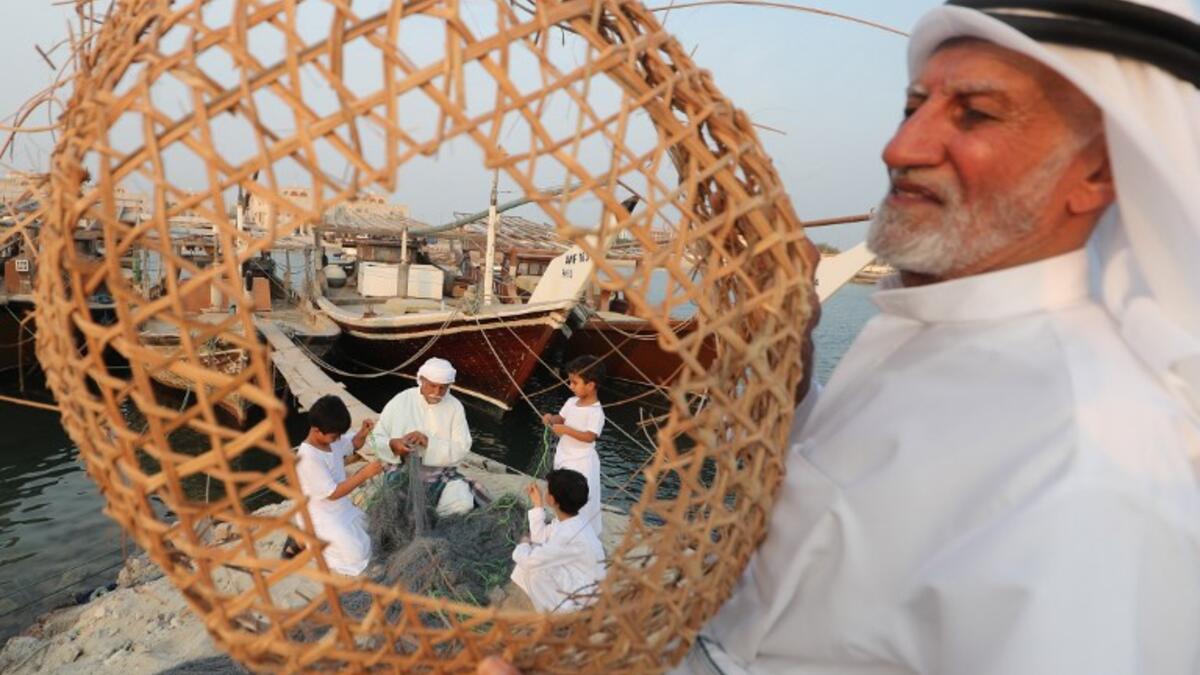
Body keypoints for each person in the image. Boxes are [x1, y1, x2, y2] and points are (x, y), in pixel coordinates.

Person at [483, 1, 1200, 673]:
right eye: (913, 106)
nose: (901, 145)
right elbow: (853, 492)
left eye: (974, 114)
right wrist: (788, 374)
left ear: (1099, 171)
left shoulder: (1105, 475)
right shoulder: (929, 333)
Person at [371, 357, 479, 516]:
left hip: (440, 473)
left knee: (462, 503)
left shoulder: (455, 407)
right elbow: (375, 438)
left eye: (443, 388)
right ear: (421, 380)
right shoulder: (402, 400)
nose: (437, 393)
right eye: (432, 386)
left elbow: (461, 448)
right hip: (402, 468)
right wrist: (394, 445)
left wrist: (429, 443)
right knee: (394, 505)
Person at [291, 394, 383, 577]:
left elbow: (353, 444)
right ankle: (303, 538)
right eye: (335, 435)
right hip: (322, 515)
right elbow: (333, 493)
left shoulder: (332, 439)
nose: (338, 438)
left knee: (370, 533)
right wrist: (365, 473)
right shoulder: (308, 458)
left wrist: (363, 432)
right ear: (317, 431)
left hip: (341, 509)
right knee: (357, 556)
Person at [510, 469, 607, 613]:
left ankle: (554, 615)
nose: (545, 491)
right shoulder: (573, 520)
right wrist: (538, 505)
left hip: (583, 596)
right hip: (584, 580)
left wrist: (523, 544)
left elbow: (530, 560)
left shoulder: (568, 534)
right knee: (532, 559)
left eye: (547, 489)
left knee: (532, 570)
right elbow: (540, 536)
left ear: (553, 500)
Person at [542, 355, 606, 538]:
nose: (570, 386)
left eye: (574, 382)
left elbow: (590, 436)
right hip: (565, 455)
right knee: (561, 490)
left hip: (581, 462)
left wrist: (566, 430)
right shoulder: (571, 402)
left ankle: (580, 531)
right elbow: (560, 418)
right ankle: (561, 523)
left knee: (579, 495)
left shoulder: (596, 412)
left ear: (591, 385)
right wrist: (550, 418)